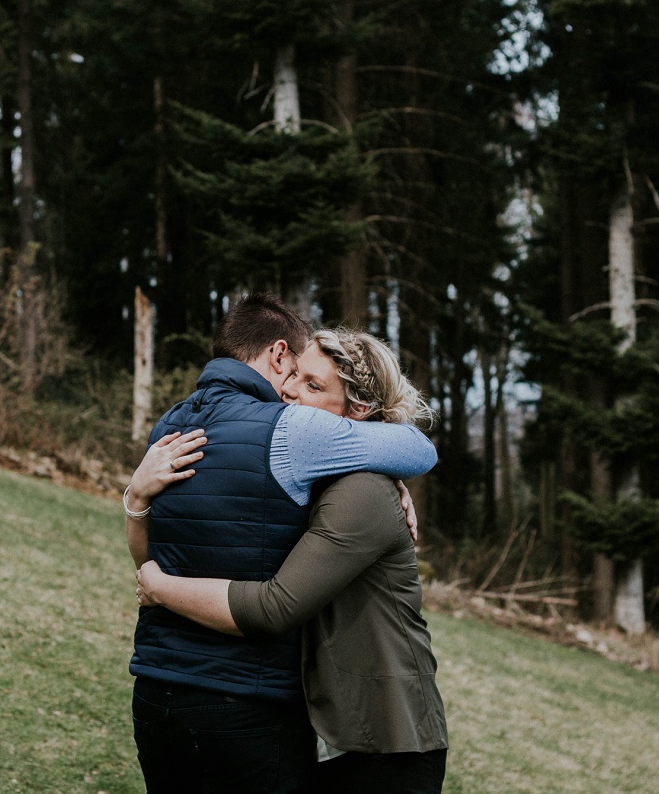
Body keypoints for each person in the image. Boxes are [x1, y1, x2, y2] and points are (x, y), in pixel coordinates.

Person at [123, 294, 437, 794]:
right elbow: (419, 449)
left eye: (311, 383)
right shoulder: (293, 435)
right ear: (277, 354)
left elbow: (155, 561)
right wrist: (384, 461)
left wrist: (136, 502)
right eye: (295, 374)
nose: (290, 390)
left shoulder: (171, 424)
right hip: (247, 700)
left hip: (157, 695)